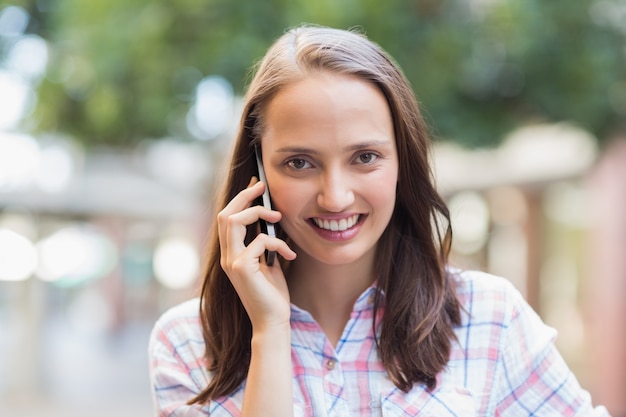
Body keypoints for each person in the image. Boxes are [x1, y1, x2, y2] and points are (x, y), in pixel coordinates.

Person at [148, 25, 610, 417]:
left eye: (365, 157)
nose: (336, 196)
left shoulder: (489, 319)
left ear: (401, 162)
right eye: (299, 163)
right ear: (258, 174)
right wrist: (270, 332)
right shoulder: (189, 343)